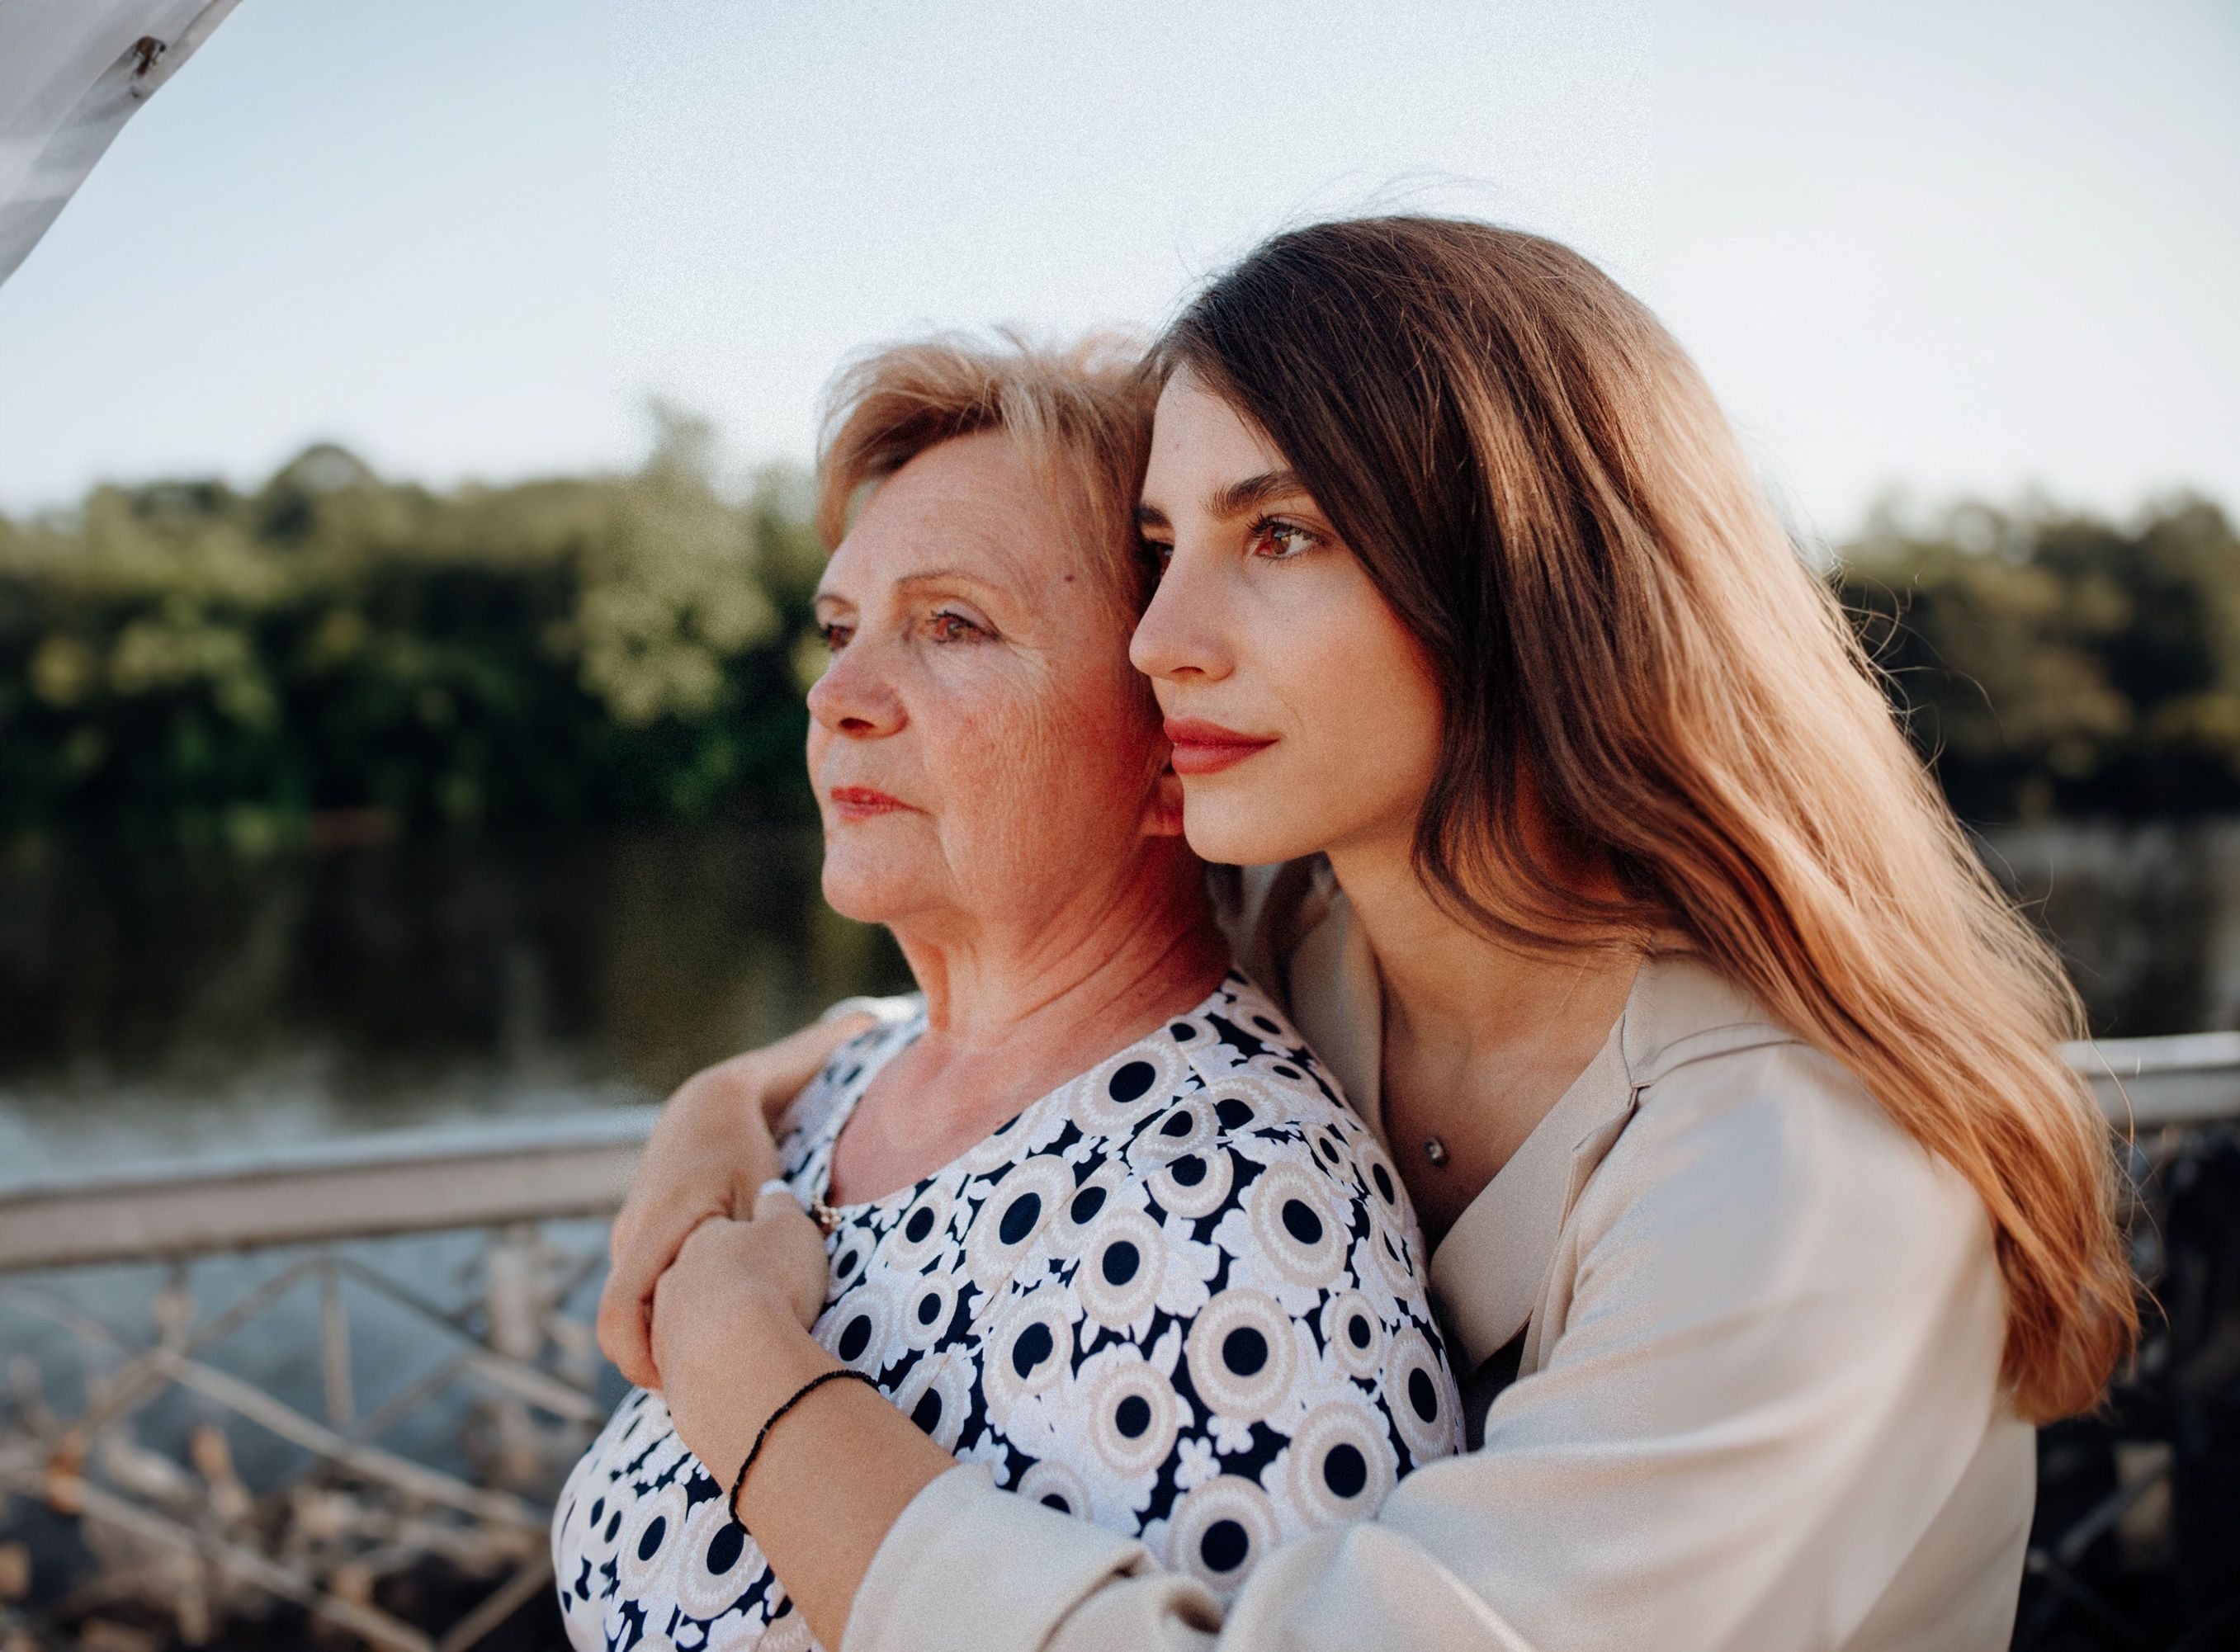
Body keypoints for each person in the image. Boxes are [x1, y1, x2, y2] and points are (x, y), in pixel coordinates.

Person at [598, 218, 2138, 1652]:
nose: (1155, 640)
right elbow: (941, 1027)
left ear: (1536, 576)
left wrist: (753, 1389)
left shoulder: (1794, 1169)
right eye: (1158, 544)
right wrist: (712, 1119)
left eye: (1278, 536)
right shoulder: (1310, 935)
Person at [555, 337, 1462, 1652]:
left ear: (1174, 749)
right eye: (839, 629)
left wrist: (729, 1344)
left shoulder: (1237, 1226)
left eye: (952, 626)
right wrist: (714, 1096)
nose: (838, 695)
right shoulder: (859, 1078)